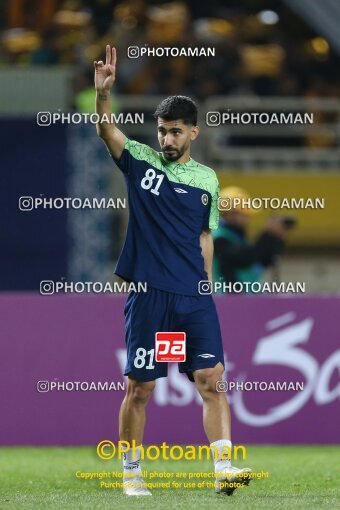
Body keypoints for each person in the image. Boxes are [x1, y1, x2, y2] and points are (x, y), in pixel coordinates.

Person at [94, 45, 251, 497]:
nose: (166, 139)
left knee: (212, 381)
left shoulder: (207, 180)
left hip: (192, 297)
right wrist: (103, 95)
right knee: (140, 388)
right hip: (149, 295)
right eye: (162, 131)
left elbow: (205, 237)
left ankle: (224, 469)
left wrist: (206, 287)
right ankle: (130, 474)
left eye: (175, 132)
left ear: (193, 133)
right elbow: (107, 132)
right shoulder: (140, 161)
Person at [213, 186, 290, 290]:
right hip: (226, 302)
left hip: (245, 301)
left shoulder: (235, 236)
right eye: (244, 214)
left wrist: (276, 238)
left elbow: (260, 261)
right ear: (230, 214)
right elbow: (245, 258)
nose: (247, 219)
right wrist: (267, 235)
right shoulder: (218, 238)